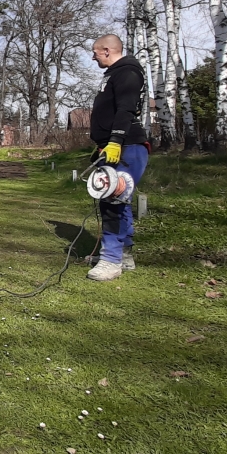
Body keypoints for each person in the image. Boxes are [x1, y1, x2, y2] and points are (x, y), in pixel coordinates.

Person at [87, 33, 149, 281]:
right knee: (118, 198)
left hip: (127, 146)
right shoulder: (113, 74)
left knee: (113, 199)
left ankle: (111, 261)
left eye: (95, 52)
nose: (93, 57)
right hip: (111, 147)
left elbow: (126, 109)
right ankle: (123, 254)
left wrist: (115, 142)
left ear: (106, 50)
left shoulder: (127, 73)